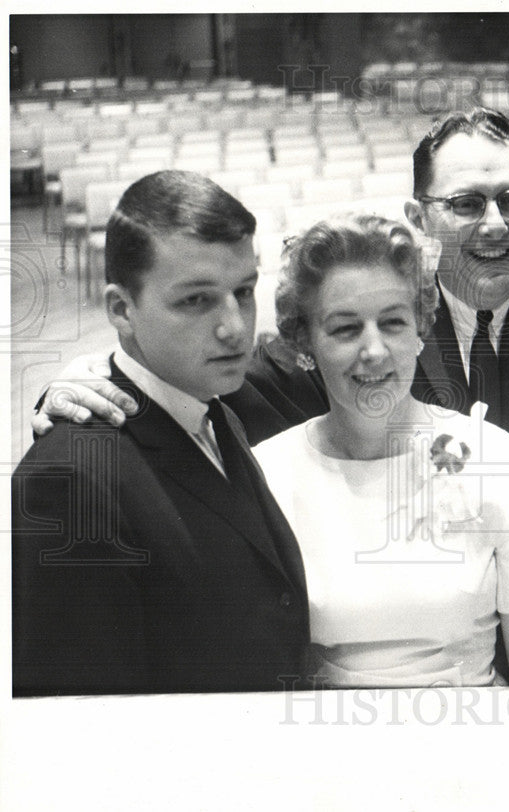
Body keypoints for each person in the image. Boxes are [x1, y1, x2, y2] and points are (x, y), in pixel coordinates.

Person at [32, 107, 509, 441]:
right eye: (466, 203)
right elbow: (221, 376)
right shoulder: (373, 321)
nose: (495, 225)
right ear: (419, 214)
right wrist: (96, 378)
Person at [12, 171, 311, 695]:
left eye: (242, 291)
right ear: (121, 309)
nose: (235, 327)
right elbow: (77, 720)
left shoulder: (214, 401)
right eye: (196, 300)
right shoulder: (71, 477)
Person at [251, 213, 509, 688]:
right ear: (304, 341)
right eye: (345, 329)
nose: (374, 350)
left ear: (420, 327)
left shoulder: (493, 457)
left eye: (393, 323)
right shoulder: (267, 473)